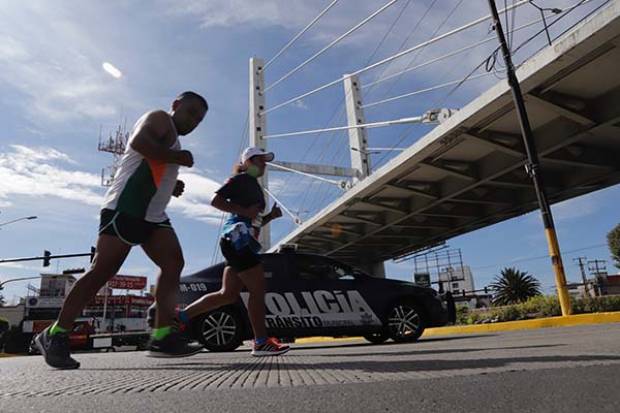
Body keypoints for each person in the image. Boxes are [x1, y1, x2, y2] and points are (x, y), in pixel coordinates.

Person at [35, 91, 208, 369]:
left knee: (173, 261)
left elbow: (153, 165)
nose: (194, 121)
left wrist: (170, 183)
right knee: (102, 272)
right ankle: (56, 334)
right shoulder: (159, 118)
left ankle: (163, 335)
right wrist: (177, 157)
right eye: (191, 113)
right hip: (125, 208)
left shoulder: (170, 137)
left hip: (152, 215)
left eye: (199, 119)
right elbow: (140, 143)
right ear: (175, 105)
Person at [180, 146, 290, 356]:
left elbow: (253, 220)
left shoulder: (253, 185)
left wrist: (271, 217)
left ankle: (182, 317)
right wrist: (243, 211)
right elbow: (216, 201)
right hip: (236, 239)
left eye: (265, 161)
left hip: (240, 241)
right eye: (259, 160)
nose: (263, 164)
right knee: (258, 289)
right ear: (247, 162)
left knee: (227, 295)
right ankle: (260, 342)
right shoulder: (240, 180)